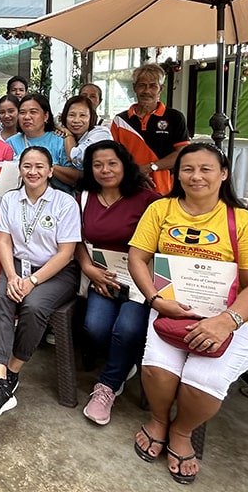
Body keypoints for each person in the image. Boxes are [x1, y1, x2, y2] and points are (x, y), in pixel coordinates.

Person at [127, 143, 248, 484]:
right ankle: (159, 420)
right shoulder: (161, 210)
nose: (195, 176)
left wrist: (226, 322)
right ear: (176, 174)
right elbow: (138, 258)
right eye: (187, 169)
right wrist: (153, 299)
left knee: (204, 378)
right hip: (171, 310)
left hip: (235, 319)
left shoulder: (243, 221)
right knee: (158, 369)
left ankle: (182, 432)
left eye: (206, 169)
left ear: (223, 174)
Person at [0, 146, 80, 416]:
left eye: (39, 167)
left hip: (56, 272)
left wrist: (32, 280)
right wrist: (11, 276)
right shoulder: (11, 199)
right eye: (27, 166)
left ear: (50, 171)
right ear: (20, 170)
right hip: (18, 267)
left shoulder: (64, 202)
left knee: (33, 307)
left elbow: (66, 253)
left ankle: (12, 370)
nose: (33, 172)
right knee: (2, 298)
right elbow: (4, 241)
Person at [75, 140, 159, 425]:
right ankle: (123, 363)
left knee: (127, 330)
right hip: (103, 278)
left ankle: (108, 386)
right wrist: (88, 267)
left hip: (140, 281)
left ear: (125, 164)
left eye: (112, 163)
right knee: (95, 329)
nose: (105, 170)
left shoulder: (148, 199)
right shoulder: (85, 197)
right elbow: (76, 239)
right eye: (97, 165)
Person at [111, 64, 190, 195]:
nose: (147, 91)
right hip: (128, 189)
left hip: (165, 190)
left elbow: (183, 154)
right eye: (142, 85)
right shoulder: (120, 120)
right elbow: (112, 156)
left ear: (161, 89)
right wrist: (135, 172)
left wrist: (149, 168)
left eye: (153, 86)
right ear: (134, 88)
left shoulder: (175, 117)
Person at [5, 94, 81, 191]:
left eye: (33, 112)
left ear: (45, 116)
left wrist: (48, 166)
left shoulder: (60, 140)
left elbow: (75, 178)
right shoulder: (10, 143)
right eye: (22, 112)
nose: (27, 117)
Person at [57, 95, 112, 169]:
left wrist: (68, 135)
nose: (76, 120)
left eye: (82, 115)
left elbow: (75, 156)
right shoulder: (61, 135)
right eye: (71, 115)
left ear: (91, 117)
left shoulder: (101, 133)